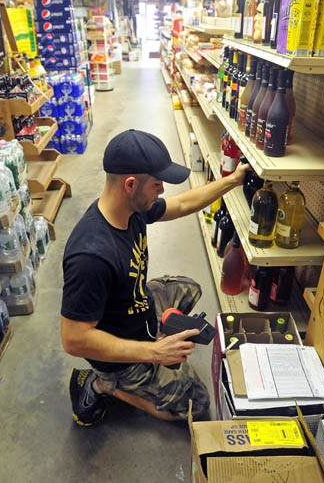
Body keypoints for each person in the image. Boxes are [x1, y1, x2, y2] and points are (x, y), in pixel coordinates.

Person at [61, 129, 249, 425]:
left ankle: (155, 328)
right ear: (130, 184)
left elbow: (184, 203)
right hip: (117, 352)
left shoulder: (131, 208)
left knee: (190, 288)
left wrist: (232, 181)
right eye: (157, 184)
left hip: (135, 304)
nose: (161, 191)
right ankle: (104, 385)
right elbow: (74, 340)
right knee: (197, 406)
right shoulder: (91, 257)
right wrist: (155, 351)